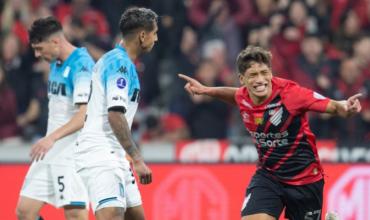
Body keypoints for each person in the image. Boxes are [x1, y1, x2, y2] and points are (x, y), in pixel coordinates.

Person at [179, 46, 362, 220]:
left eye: (264, 73)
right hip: (269, 176)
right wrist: (206, 90)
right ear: (242, 79)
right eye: (253, 75)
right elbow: (234, 95)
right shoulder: (243, 96)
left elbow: (331, 105)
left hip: (304, 178)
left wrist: (346, 107)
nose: (260, 80)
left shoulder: (291, 94)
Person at [75, 7, 158, 220]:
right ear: (142, 35)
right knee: (112, 214)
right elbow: (115, 114)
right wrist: (138, 158)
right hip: (100, 152)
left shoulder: (116, 60)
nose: (156, 39)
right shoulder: (119, 64)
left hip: (115, 153)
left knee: (136, 216)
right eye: (154, 33)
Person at [16, 16, 94, 220]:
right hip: (50, 149)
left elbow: (84, 116)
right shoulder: (55, 63)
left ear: (56, 42)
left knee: (76, 214)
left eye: (40, 48)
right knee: (24, 212)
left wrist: (51, 138)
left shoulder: (82, 66)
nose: (37, 54)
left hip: (72, 151)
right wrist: (50, 139)